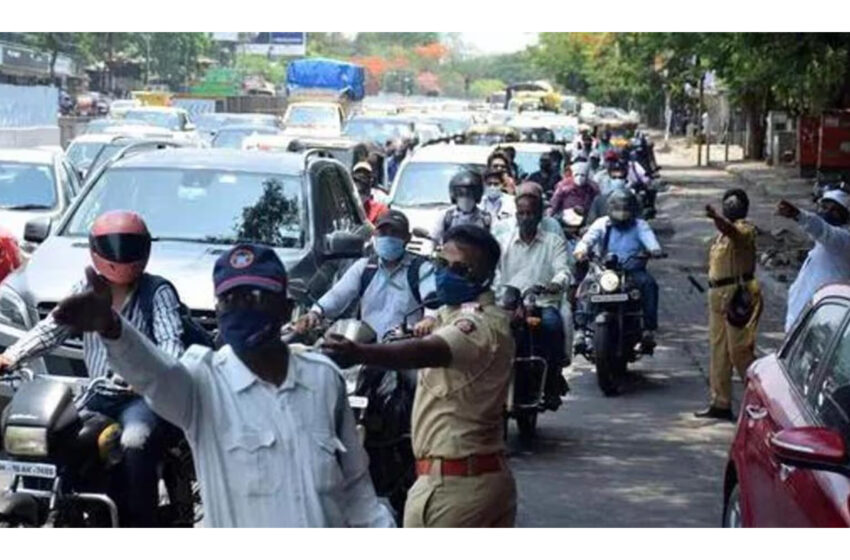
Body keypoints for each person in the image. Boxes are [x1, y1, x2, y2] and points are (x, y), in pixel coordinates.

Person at [50, 244, 395, 528]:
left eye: (254, 296)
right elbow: (156, 374)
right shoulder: (202, 383)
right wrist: (112, 327)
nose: (240, 308)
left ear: (285, 308)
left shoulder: (323, 380)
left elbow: (356, 491)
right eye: (229, 300)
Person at [321, 225, 517, 527]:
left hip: (454, 487)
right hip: (470, 478)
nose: (445, 273)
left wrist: (359, 353)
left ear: (483, 277)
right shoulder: (450, 311)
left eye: (459, 268)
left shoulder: (477, 324)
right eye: (442, 264)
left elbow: (427, 351)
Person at [0, 211, 184, 527]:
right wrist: (9, 357)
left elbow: (171, 342)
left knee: (134, 443)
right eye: (113, 244)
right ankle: (61, 504)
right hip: (98, 395)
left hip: (142, 399)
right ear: (94, 248)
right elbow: (52, 328)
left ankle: (138, 526)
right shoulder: (85, 288)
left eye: (129, 244)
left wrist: (153, 377)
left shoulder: (157, 292)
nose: (121, 252)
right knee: (53, 436)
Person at [296, 210, 435, 340]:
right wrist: (315, 313)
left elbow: (432, 299)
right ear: (375, 235)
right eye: (383, 233)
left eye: (395, 233)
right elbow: (337, 296)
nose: (388, 237)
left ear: (407, 238)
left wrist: (429, 319)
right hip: (366, 348)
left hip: (406, 349)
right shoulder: (364, 267)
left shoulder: (421, 268)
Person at [495, 185, 572, 410]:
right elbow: (493, 271)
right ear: (516, 215)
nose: (526, 218)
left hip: (542, 302)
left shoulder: (553, 240)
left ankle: (551, 382)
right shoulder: (503, 242)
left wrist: (554, 284)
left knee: (552, 327)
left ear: (540, 215)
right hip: (508, 304)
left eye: (530, 213)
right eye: (522, 213)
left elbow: (563, 270)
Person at [696, 190, 762, 421]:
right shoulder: (720, 237)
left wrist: (715, 218)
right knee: (719, 351)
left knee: (739, 351)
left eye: (735, 204)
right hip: (719, 295)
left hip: (739, 295)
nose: (730, 207)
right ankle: (720, 403)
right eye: (728, 203)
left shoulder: (745, 229)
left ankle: (762, 399)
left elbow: (731, 230)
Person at [574, 189, 662, 349]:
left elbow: (650, 240)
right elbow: (588, 238)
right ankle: (580, 330)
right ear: (610, 208)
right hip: (604, 272)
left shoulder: (640, 225)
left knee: (649, 284)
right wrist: (581, 249)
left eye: (625, 209)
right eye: (618, 208)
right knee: (585, 287)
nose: (621, 213)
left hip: (633, 272)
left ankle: (648, 330)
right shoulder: (602, 223)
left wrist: (654, 250)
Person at [778, 190, 850, 331]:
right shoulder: (821, 246)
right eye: (824, 207)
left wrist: (798, 215)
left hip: (820, 326)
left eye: (833, 209)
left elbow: (822, 230)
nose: (826, 212)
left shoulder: (842, 240)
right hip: (802, 324)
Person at [431, 170, 492, 245]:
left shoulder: (486, 219)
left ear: (477, 196)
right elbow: (432, 239)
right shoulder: (446, 217)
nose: (465, 199)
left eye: (470, 195)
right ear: (454, 196)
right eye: (461, 195)